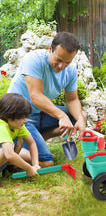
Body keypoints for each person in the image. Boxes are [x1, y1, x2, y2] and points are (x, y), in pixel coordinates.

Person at [7, 32, 86, 167]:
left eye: (67, 62)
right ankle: (9, 153)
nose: (62, 66)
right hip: (19, 116)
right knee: (46, 162)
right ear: (50, 49)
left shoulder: (70, 70)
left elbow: (72, 100)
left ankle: (35, 142)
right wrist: (61, 116)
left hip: (40, 112)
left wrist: (80, 119)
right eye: (59, 60)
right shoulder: (34, 60)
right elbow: (36, 96)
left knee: (76, 117)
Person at [0, 93, 40, 177]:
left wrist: (35, 164)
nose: (25, 121)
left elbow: (31, 143)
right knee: (6, 149)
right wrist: (28, 168)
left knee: (21, 138)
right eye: (22, 117)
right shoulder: (1, 126)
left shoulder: (18, 125)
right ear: (10, 115)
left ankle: (9, 167)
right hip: (4, 155)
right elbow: (9, 154)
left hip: (4, 161)